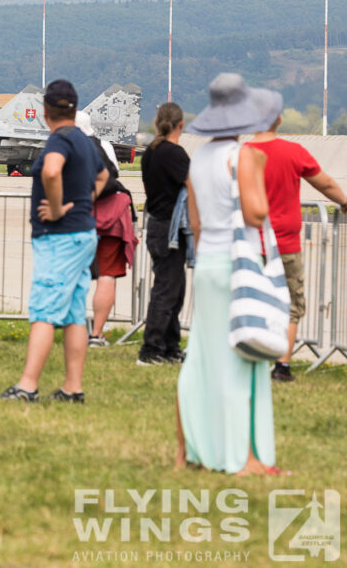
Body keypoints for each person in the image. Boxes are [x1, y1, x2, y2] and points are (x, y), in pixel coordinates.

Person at [176, 73, 284, 475]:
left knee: (203, 357)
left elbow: (196, 221)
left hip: (207, 261)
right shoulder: (244, 156)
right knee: (242, 356)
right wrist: (257, 173)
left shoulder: (198, 158)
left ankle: (193, 449)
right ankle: (245, 456)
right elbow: (255, 212)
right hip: (236, 262)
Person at [0, 80, 107, 403]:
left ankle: (28, 385)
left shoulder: (59, 140)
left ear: (45, 112)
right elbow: (103, 176)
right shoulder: (85, 141)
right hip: (84, 233)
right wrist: (85, 200)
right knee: (74, 312)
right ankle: (73, 387)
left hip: (59, 237)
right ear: (74, 108)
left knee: (45, 310)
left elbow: (50, 171)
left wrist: (58, 208)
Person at [246, 103, 347, 381]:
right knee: (291, 304)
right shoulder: (293, 152)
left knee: (250, 300)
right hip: (285, 243)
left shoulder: (242, 153)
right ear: (278, 119)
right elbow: (325, 184)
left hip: (250, 242)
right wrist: (344, 202)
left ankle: (248, 357)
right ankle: (282, 365)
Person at [76, 111, 136, 349]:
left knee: (74, 275)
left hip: (78, 217)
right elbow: (115, 176)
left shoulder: (66, 147)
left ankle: (76, 330)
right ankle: (96, 335)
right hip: (110, 219)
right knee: (107, 275)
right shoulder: (104, 146)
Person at [138, 103, 191, 365]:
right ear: (181, 124)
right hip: (169, 226)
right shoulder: (174, 153)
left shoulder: (151, 152)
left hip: (158, 224)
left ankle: (170, 346)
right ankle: (151, 348)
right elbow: (193, 186)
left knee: (175, 288)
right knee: (167, 289)